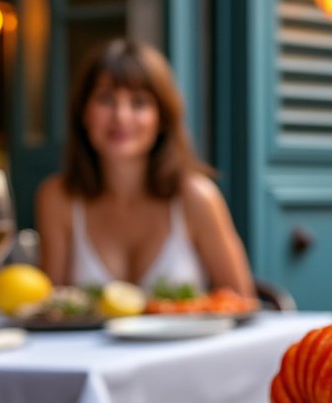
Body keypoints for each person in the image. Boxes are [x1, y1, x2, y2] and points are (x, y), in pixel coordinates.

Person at [35, 39, 253, 296]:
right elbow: (49, 311)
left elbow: (242, 302)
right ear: (83, 112)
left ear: (162, 118)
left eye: (139, 103)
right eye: (105, 99)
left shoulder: (197, 196)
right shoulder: (57, 198)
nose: (121, 116)